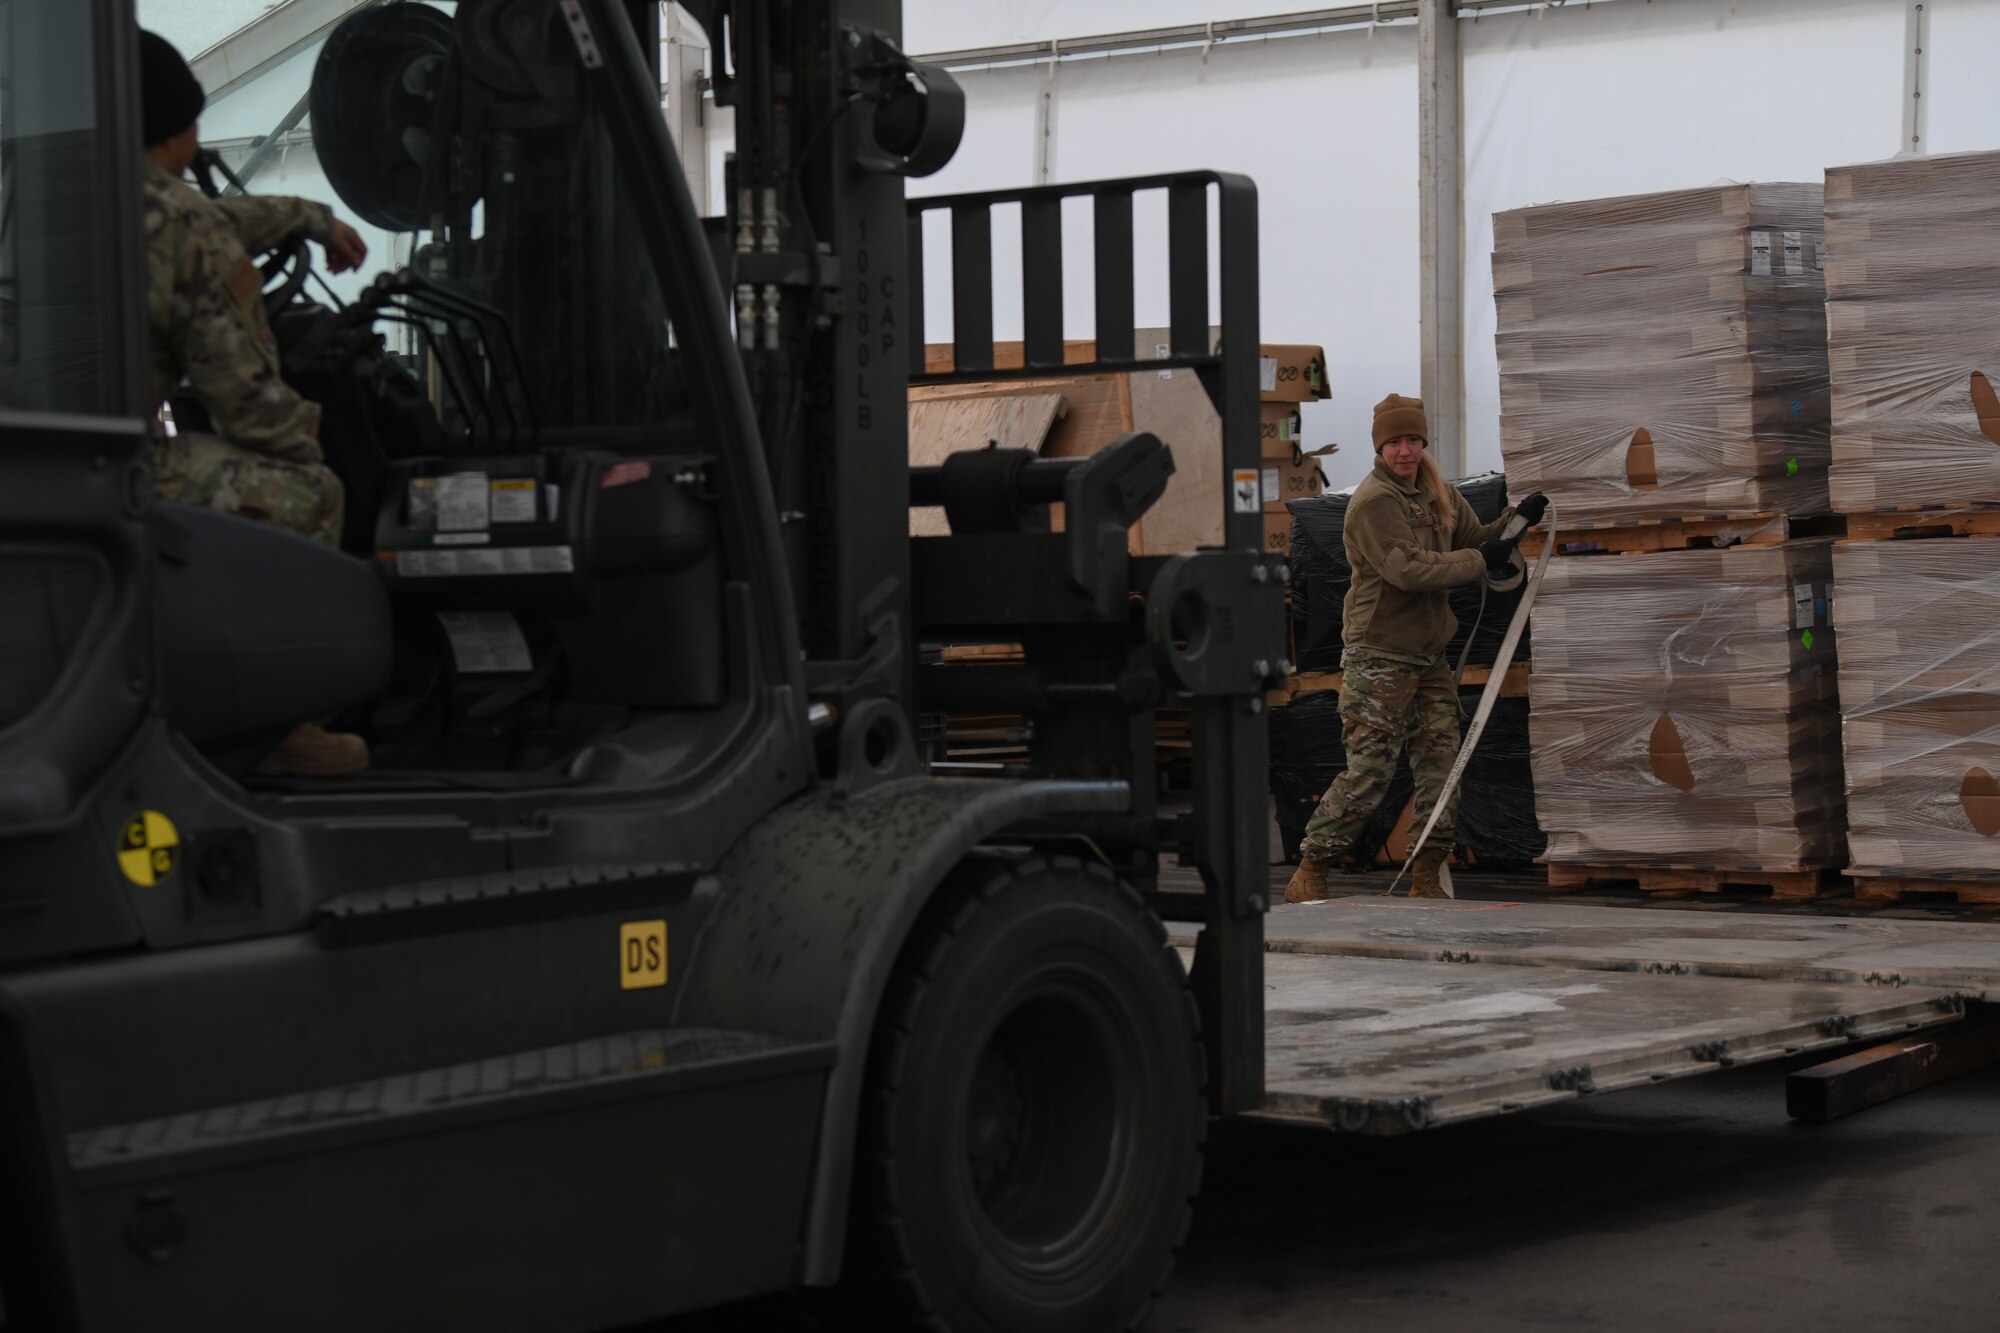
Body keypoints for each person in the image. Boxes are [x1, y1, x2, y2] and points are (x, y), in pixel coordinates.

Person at [140, 29, 375, 776]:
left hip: (34, 457)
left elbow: (200, 216)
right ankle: (277, 728)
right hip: (110, 471)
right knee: (308, 490)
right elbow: (246, 405)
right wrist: (313, 436)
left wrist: (308, 215)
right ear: (177, 130)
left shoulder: (52, 187)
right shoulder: (188, 229)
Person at [1285, 393, 1546, 902]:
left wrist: (1517, 523)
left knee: (1441, 766)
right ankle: (1312, 866)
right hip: (1379, 656)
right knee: (1370, 771)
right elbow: (1406, 570)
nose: (1405, 451)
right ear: (1380, 447)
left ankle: (1426, 875)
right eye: (1394, 442)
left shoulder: (1436, 491)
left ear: (1423, 441)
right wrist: (1481, 558)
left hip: (1429, 657)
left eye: (1412, 440)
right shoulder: (1373, 503)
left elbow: (1478, 538)